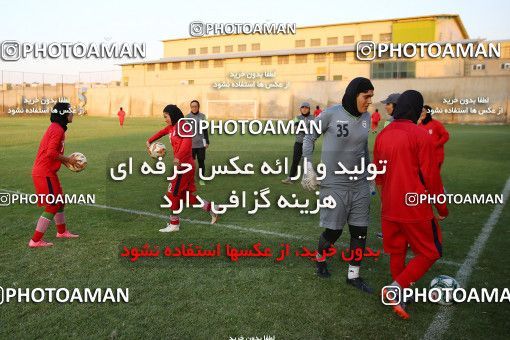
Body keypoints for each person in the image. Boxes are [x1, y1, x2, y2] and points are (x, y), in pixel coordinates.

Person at [373, 90, 448, 319]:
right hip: (414, 208)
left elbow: (378, 176)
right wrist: (442, 208)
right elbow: (432, 177)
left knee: (397, 251)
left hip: (390, 207)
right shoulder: (420, 134)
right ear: (416, 109)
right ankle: (396, 288)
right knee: (431, 251)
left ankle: (400, 294)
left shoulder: (382, 135)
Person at [302, 77, 374, 293]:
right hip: (334, 183)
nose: (370, 101)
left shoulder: (367, 117)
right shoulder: (331, 114)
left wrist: (369, 175)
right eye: (366, 96)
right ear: (354, 95)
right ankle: (320, 259)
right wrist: (308, 167)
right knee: (333, 231)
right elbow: (309, 137)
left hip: (359, 183)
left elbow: (364, 148)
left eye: (371, 96)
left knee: (360, 231)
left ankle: (354, 275)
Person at [146, 104, 217, 232]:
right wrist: (150, 140)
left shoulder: (183, 125)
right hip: (181, 166)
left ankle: (174, 224)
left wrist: (178, 156)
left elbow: (187, 142)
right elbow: (162, 132)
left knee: (172, 193)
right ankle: (211, 208)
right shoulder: (172, 127)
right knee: (184, 196)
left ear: (172, 115)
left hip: (184, 166)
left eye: (166, 116)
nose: (165, 119)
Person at [29, 102, 80, 248]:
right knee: (52, 205)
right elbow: (51, 153)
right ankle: (35, 240)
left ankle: (62, 232)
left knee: (60, 202)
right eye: (70, 111)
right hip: (44, 173)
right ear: (64, 114)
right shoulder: (57, 130)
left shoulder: (57, 128)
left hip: (48, 171)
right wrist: (68, 159)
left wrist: (67, 162)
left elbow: (53, 153)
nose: (72, 113)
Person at [281, 102, 314, 184]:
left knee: (307, 161)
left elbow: (315, 129)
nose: (304, 109)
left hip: (309, 143)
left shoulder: (313, 118)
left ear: (309, 109)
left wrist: (303, 128)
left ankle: (310, 179)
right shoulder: (297, 118)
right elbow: (296, 129)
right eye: (302, 108)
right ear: (300, 109)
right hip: (298, 143)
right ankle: (290, 178)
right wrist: (306, 129)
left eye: (306, 108)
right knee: (295, 160)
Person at [418, 105, 450, 171]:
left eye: (423, 111)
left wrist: (436, 144)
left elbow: (446, 136)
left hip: (436, 156)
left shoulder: (436, 124)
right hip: (424, 158)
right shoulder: (419, 126)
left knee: (434, 178)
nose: (421, 113)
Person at [186, 100, 209, 186]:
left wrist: (206, 141)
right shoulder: (187, 117)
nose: (194, 108)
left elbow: (205, 130)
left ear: (198, 107)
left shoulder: (203, 116)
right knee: (190, 164)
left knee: (201, 162)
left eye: (195, 106)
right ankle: (189, 180)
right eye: (192, 106)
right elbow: (184, 132)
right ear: (190, 107)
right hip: (190, 145)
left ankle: (201, 179)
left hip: (200, 144)